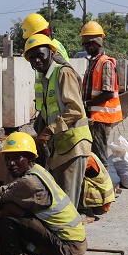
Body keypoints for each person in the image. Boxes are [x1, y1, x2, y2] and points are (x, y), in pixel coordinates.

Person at [24, 33, 92, 208]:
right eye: (32, 58)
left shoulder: (63, 73)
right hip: (62, 146)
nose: (37, 60)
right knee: (61, 200)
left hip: (73, 144)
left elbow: (75, 109)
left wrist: (49, 131)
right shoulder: (46, 78)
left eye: (40, 55)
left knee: (67, 205)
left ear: (51, 53)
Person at [79, 21, 123, 165]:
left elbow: (108, 93)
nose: (87, 46)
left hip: (101, 117)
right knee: (93, 155)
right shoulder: (92, 62)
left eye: (90, 43)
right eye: (85, 43)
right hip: (93, 116)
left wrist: (86, 103)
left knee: (99, 156)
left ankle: (105, 180)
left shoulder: (106, 63)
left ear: (98, 42)